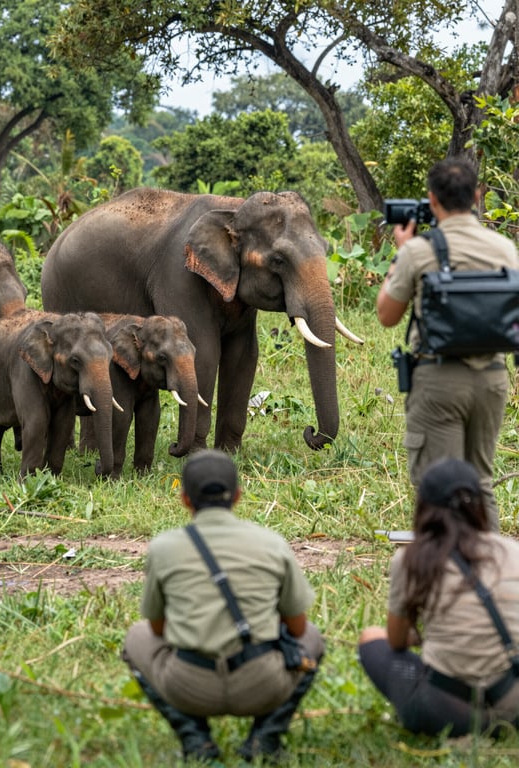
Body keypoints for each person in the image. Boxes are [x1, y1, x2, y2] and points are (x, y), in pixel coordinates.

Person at [122, 449, 324, 764]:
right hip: (262, 683)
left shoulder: (163, 548)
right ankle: (265, 736)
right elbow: (297, 628)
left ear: (185, 499)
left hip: (189, 685)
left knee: (136, 637)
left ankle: (195, 738)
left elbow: (157, 629)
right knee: (312, 636)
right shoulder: (272, 543)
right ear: (238, 496)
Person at [376, 158, 519, 532]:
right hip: (491, 378)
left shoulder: (419, 250)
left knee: (438, 485)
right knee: (480, 481)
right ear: (476, 196)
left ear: (431, 200)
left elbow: (387, 315)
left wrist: (400, 252)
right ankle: (491, 571)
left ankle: (443, 574)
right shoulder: (505, 248)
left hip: (438, 379)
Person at [358, 457, 519, 736]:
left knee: (371, 638)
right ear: (480, 506)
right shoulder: (511, 551)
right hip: (513, 699)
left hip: (448, 709)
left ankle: (461, 724)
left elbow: (396, 641)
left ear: (423, 507)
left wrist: (425, 635)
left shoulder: (411, 559)